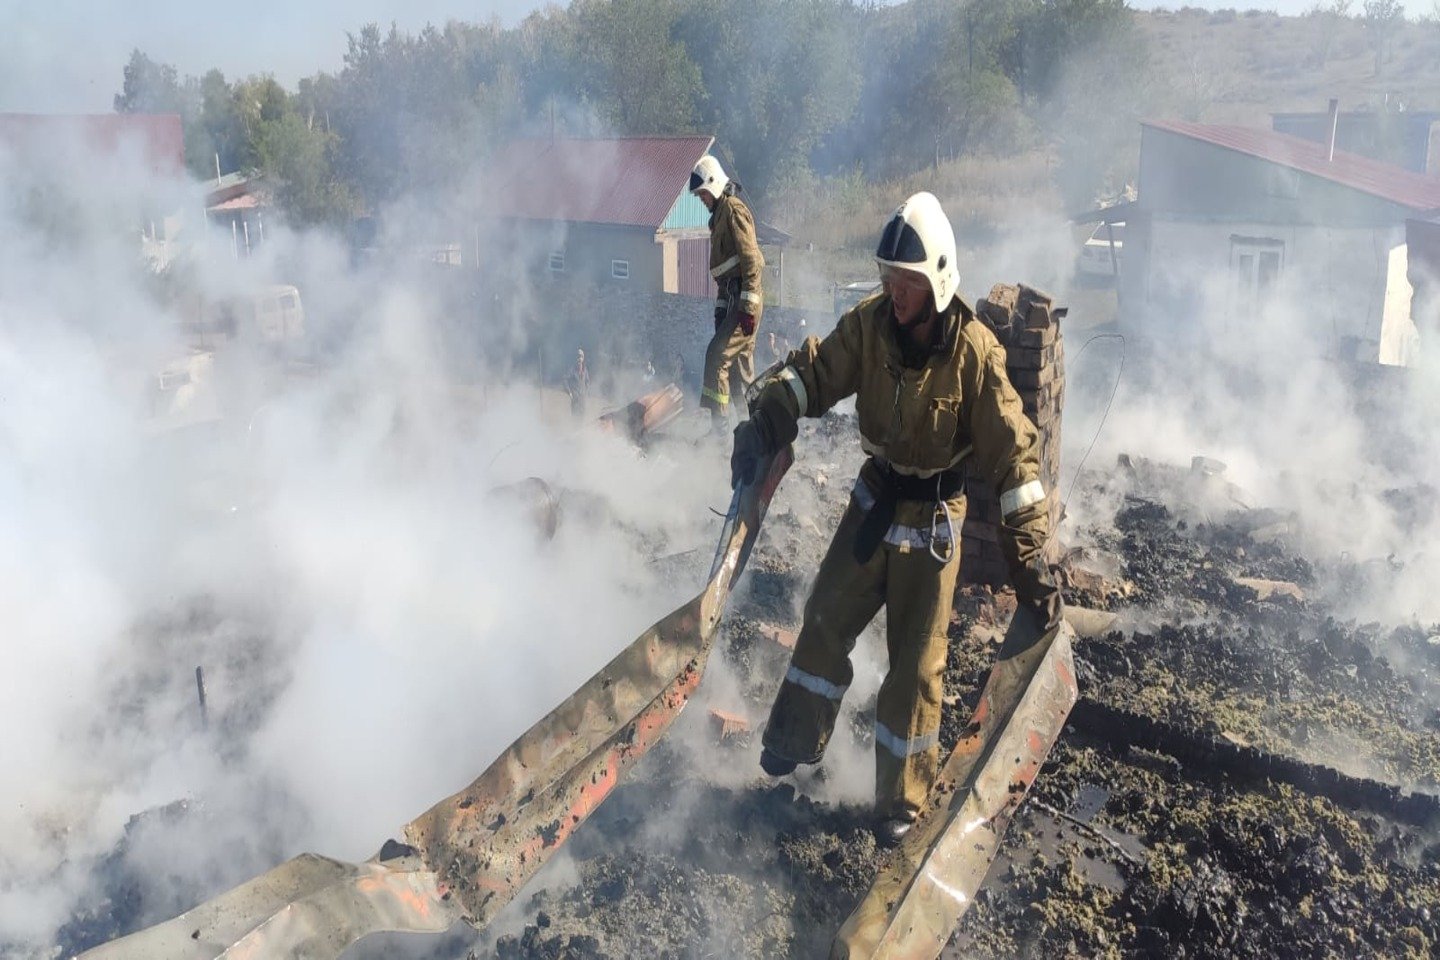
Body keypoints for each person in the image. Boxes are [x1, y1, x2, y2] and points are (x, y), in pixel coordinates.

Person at [729, 192, 1063, 847]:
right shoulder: (870, 327)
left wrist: (1029, 554)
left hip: (935, 524)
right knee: (823, 620)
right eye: (888, 277)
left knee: (915, 672)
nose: (894, 291)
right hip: (874, 500)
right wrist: (768, 416)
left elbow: (1015, 456)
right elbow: (813, 375)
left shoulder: (974, 352)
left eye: (905, 281)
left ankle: (899, 806)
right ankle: (791, 743)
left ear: (936, 279)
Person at [689, 155, 764, 430]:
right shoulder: (718, 217)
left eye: (703, 194)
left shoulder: (734, 210)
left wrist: (747, 307)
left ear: (714, 184)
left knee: (717, 356)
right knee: (738, 372)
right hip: (734, 299)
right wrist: (721, 309)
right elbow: (725, 273)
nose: (701, 200)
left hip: (745, 300)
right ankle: (752, 427)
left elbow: (751, 261)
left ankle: (720, 431)